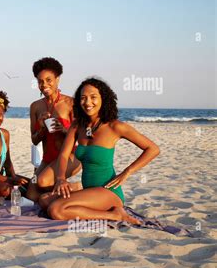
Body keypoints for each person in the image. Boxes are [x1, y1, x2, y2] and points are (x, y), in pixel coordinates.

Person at [39, 77, 160, 224]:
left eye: (93, 97)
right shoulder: (78, 126)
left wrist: (126, 172)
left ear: (104, 99)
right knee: (44, 200)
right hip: (89, 189)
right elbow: (64, 155)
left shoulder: (115, 127)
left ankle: (117, 215)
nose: (88, 102)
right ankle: (79, 191)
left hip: (108, 191)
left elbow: (152, 149)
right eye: (83, 98)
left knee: (56, 210)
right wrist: (60, 179)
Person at [26, 57, 81, 202]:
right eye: (40, 81)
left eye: (49, 80)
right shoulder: (35, 107)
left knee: (43, 182)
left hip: (70, 157)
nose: (44, 85)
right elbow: (34, 139)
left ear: (58, 79)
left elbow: (81, 137)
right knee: (31, 195)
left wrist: (64, 130)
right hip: (48, 159)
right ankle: (61, 192)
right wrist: (43, 127)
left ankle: (79, 187)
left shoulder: (70, 103)